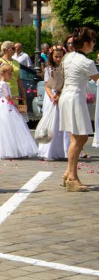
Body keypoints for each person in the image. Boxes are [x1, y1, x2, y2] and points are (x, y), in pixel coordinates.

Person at [59, 27, 99, 191]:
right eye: (93, 42)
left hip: (68, 96)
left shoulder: (68, 57)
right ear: (87, 43)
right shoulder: (86, 62)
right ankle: (72, 178)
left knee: (78, 138)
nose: (94, 46)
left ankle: (68, 173)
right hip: (74, 98)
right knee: (78, 138)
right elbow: (97, 80)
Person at [0, 63, 39, 159]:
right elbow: (7, 97)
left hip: (1, 103)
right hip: (5, 106)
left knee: (4, 127)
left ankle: (6, 148)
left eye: (11, 73)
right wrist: (15, 104)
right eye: (9, 74)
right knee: (7, 127)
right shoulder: (4, 84)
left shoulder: (1, 83)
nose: (11, 76)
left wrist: (13, 97)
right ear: (3, 74)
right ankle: (8, 149)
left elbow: (5, 95)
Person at [38, 46, 69, 161]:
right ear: (52, 56)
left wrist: (60, 94)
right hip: (51, 98)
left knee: (61, 124)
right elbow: (47, 86)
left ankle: (60, 150)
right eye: (56, 56)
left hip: (62, 96)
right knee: (51, 123)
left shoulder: (65, 68)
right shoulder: (49, 69)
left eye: (60, 57)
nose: (58, 59)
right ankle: (47, 150)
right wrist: (52, 96)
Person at [0, 41, 25, 106]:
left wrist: (23, 92)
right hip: (5, 89)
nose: (15, 50)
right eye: (13, 48)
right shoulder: (0, 61)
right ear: (6, 50)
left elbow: (18, 78)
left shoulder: (16, 62)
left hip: (15, 90)